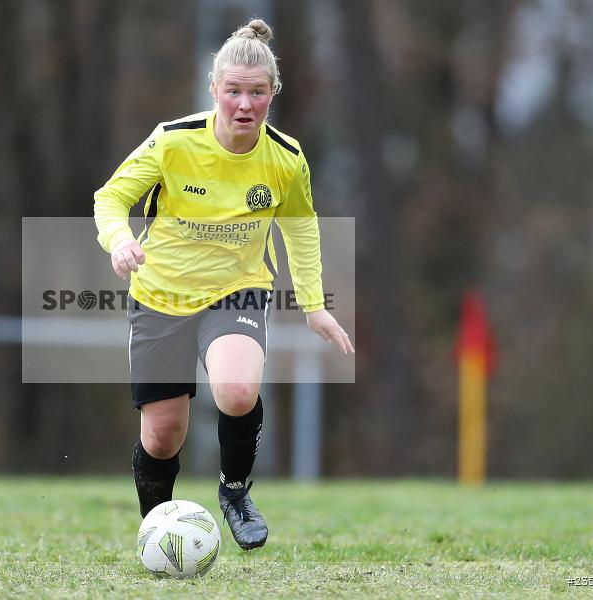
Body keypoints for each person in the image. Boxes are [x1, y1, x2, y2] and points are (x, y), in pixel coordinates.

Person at [93, 19, 353, 551]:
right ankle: (158, 529)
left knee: (236, 391)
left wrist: (313, 305)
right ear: (214, 90)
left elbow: (301, 229)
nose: (244, 104)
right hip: (159, 295)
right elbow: (110, 197)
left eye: (257, 92)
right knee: (163, 436)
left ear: (272, 94)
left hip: (238, 290)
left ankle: (235, 491)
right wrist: (119, 241)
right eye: (233, 90)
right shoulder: (172, 142)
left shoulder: (285, 159)